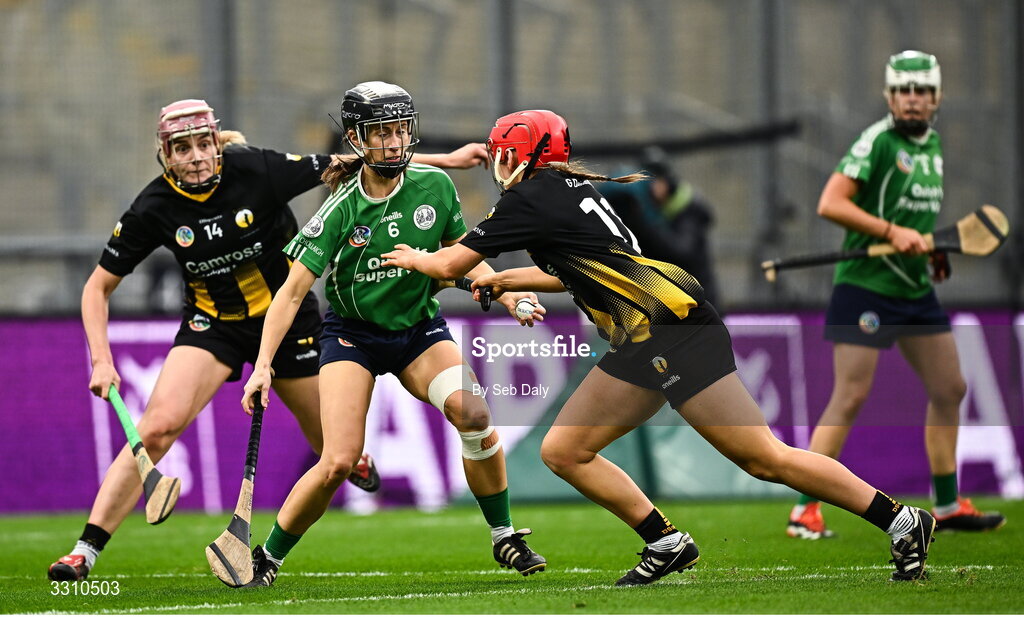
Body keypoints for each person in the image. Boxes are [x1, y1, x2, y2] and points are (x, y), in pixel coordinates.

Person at [383, 109, 938, 585]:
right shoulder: (571, 190)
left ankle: (900, 519)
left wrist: (413, 257)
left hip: (667, 332)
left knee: (764, 458)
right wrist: (506, 281)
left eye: (504, 153)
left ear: (521, 155)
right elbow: (580, 272)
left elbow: (450, 263)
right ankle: (665, 542)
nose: (499, 164)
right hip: (648, 333)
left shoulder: (529, 199)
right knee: (564, 451)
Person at [47, 98, 490, 582]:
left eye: (202, 143)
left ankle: (353, 457)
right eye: (181, 148)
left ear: (217, 143)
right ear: (164, 155)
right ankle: (85, 551)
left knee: (333, 452)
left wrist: (448, 161)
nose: (194, 156)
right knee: (156, 428)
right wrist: (101, 360)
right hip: (213, 326)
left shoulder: (258, 169)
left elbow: (360, 160)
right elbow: (98, 287)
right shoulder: (155, 207)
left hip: (290, 321)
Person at [239, 81, 546, 588]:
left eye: (402, 130)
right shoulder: (339, 209)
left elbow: (460, 256)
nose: (395, 142)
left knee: (473, 413)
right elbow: (291, 294)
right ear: (358, 138)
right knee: (338, 460)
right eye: (382, 133)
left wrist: (508, 293)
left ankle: (505, 535)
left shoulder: (435, 186)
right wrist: (264, 366)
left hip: (418, 331)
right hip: (351, 338)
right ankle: (268, 558)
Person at [786, 51, 1005, 540]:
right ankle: (805, 510)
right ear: (889, 97)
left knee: (951, 388)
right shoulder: (877, 142)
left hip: (914, 287)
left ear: (937, 98)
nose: (912, 100)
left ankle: (946, 505)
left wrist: (927, 251)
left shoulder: (933, 147)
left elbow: (915, 222)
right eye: (903, 92)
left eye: (922, 92)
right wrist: (891, 230)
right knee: (850, 394)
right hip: (867, 288)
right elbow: (831, 203)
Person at [601, 146, 720, 307]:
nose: (650, 187)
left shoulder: (687, 209)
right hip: (674, 306)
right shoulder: (652, 211)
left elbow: (681, 253)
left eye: (654, 180)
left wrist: (643, 223)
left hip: (701, 306)